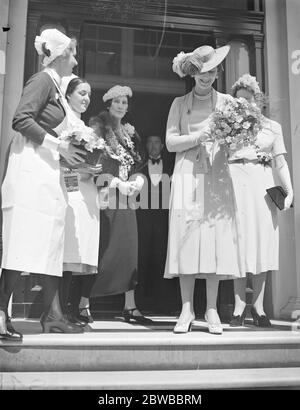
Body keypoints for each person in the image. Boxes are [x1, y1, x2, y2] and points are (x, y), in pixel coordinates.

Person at [0, 29, 86, 339]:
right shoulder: (41, 81)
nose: (75, 61)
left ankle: (53, 315)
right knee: (21, 242)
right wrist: (61, 147)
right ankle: (0, 314)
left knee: (50, 242)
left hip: (47, 173)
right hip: (29, 174)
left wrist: (72, 155)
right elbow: (21, 119)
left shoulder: (57, 88)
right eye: (72, 55)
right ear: (61, 55)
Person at [164, 44, 242, 334]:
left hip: (217, 174)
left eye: (211, 71)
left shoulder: (228, 103)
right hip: (187, 175)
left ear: (217, 72)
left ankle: (211, 309)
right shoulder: (179, 104)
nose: (206, 77)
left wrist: (230, 139)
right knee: (186, 237)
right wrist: (199, 137)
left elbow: (237, 141)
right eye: (201, 72)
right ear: (193, 74)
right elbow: (171, 142)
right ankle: (186, 309)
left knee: (213, 239)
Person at [229, 73, 293, 327]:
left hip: (262, 183)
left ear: (258, 100)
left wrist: (290, 191)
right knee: (238, 242)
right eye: (239, 101)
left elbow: (281, 161)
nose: (245, 105)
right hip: (236, 182)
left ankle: (258, 306)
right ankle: (238, 306)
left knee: (262, 243)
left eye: (249, 100)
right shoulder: (228, 127)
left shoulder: (272, 127)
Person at [89, 85, 152, 324]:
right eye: (117, 102)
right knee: (103, 248)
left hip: (126, 199)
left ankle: (130, 306)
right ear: (108, 103)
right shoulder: (97, 127)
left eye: (124, 102)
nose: (121, 106)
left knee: (128, 250)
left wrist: (137, 179)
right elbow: (92, 161)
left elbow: (138, 163)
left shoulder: (129, 133)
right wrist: (115, 182)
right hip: (105, 195)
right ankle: (85, 304)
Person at [59, 76, 102, 326]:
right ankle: (61, 311)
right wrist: (83, 170)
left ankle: (72, 309)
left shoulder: (83, 124)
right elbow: (62, 160)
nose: (86, 98)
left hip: (86, 193)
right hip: (71, 191)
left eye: (88, 94)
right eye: (81, 93)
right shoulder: (65, 121)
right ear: (68, 95)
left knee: (79, 255)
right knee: (67, 254)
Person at [136, 135, 178, 314]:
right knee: (141, 259)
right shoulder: (138, 166)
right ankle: (139, 303)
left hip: (164, 220)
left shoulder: (172, 166)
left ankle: (165, 304)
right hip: (142, 219)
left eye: (157, 142)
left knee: (163, 259)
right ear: (146, 145)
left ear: (162, 146)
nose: (153, 146)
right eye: (150, 142)